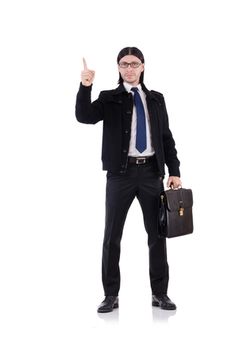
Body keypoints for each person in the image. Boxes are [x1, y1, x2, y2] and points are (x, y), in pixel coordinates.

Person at [77, 47, 183, 313]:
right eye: (124, 64)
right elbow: (84, 116)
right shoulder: (110, 97)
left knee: (157, 235)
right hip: (120, 175)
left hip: (151, 174)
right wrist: (85, 86)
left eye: (134, 64)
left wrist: (175, 170)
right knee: (112, 236)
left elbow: (166, 137)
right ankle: (110, 295)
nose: (129, 69)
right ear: (118, 68)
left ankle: (160, 293)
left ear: (143, 66)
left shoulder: (156, 99)